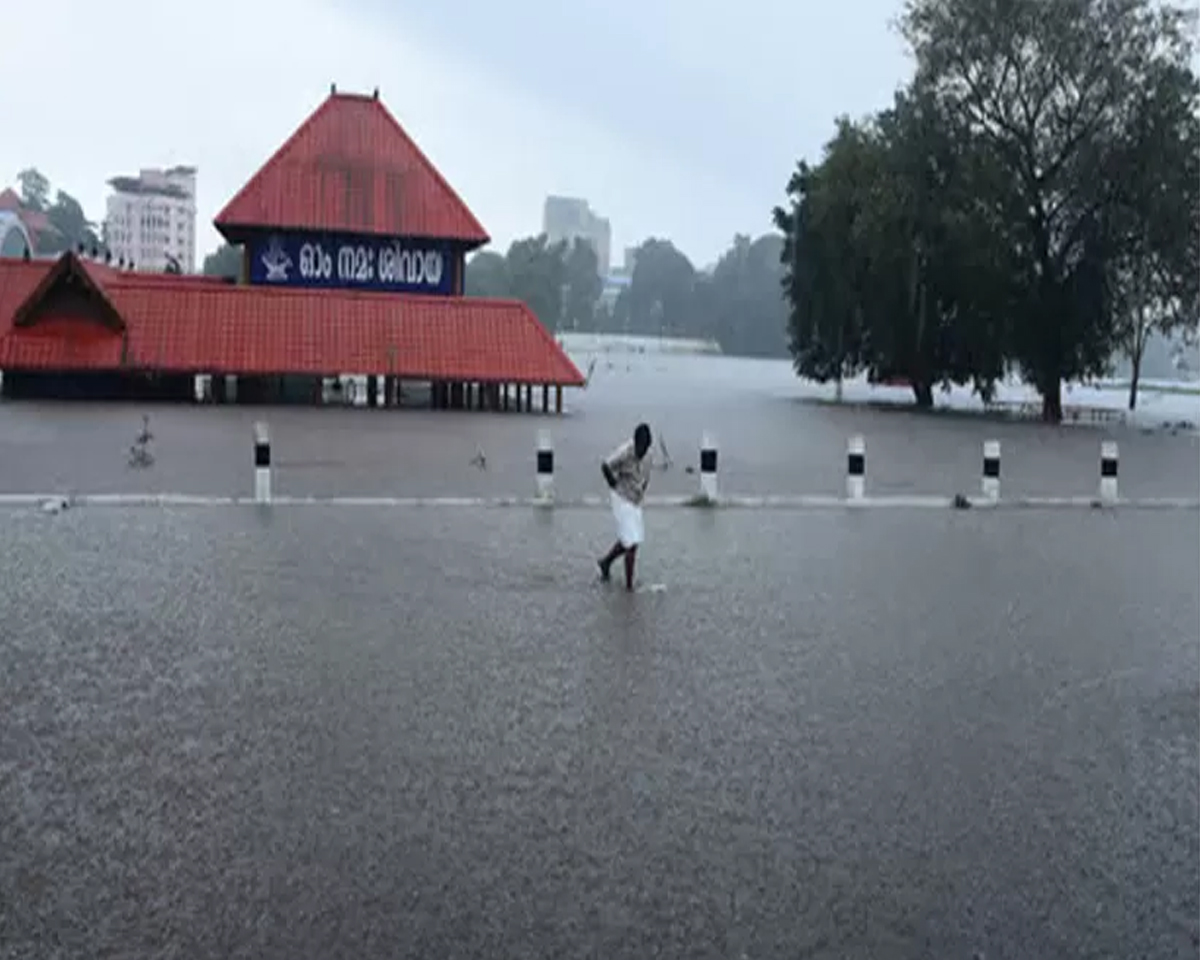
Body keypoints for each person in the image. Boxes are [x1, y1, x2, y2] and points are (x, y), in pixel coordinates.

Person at [598, 422, 653, 590]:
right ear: (635, 442)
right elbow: (605, 465)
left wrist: (642, 491)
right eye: (639, 448)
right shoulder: (625, 452)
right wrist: (613, 483)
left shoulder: (648, 456)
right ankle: (629, 586)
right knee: (632, 543)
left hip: (635, 500)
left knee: (628, 540)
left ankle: (606, 562)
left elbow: (646, 477)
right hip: (621, 498)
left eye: (644, 448)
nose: (641, 452)